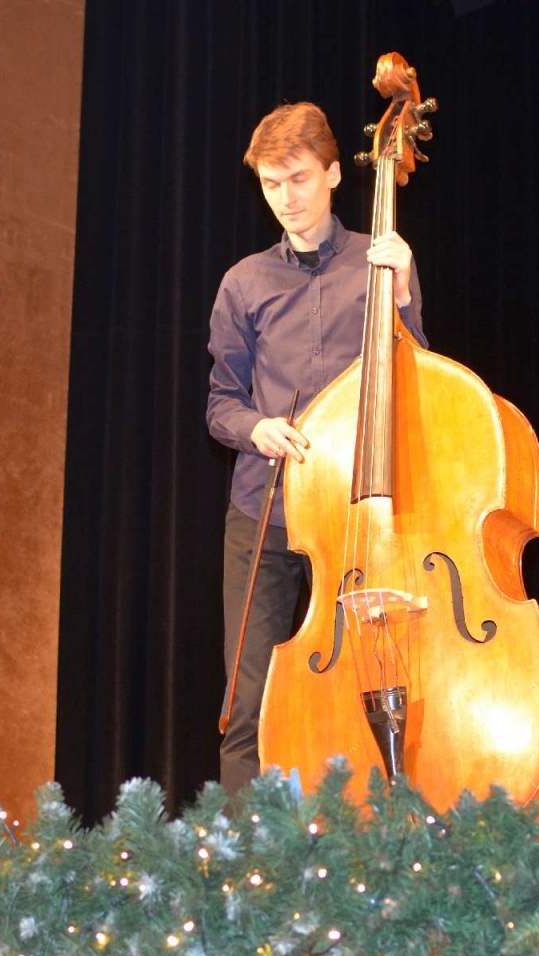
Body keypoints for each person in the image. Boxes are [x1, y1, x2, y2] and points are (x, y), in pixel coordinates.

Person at [206, 101, 425, 793]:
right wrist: (255, 428)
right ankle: (245, 852)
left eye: (298, 178)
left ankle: (360, 840)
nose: (286, 198)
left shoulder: (379, 262)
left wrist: (405, 295)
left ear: (333, 173)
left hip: (358, 517)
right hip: (264, 513)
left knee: (362, 694)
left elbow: (419, 381)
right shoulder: (244, 282)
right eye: (271, 184)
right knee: (250, 705)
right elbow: (221, 404)